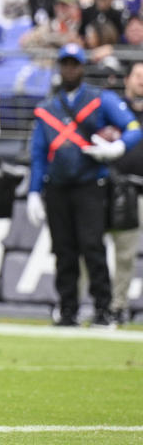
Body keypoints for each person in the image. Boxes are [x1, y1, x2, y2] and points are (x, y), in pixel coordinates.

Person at [27, 44, 142, 327]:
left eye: (74, 64)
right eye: (65, 64)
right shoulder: (47, 108)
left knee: (93, 247)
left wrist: (116, 149)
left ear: (82, 67)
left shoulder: (99, 99)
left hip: (90, 183)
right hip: (58, 185)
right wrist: (33, 190)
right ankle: (67, 309)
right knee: (64, 250)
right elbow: (39, 152)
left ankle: (103, 309)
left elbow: (133, 129)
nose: (69, 70)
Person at [108, 61, 143, 325]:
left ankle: (118, 304)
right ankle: (87, 302)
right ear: (127, 79)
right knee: (91, 248)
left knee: (126, 252)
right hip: (107, 187)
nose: (141, 81)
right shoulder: (112, 109)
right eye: (138, 75)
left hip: (137, 190)